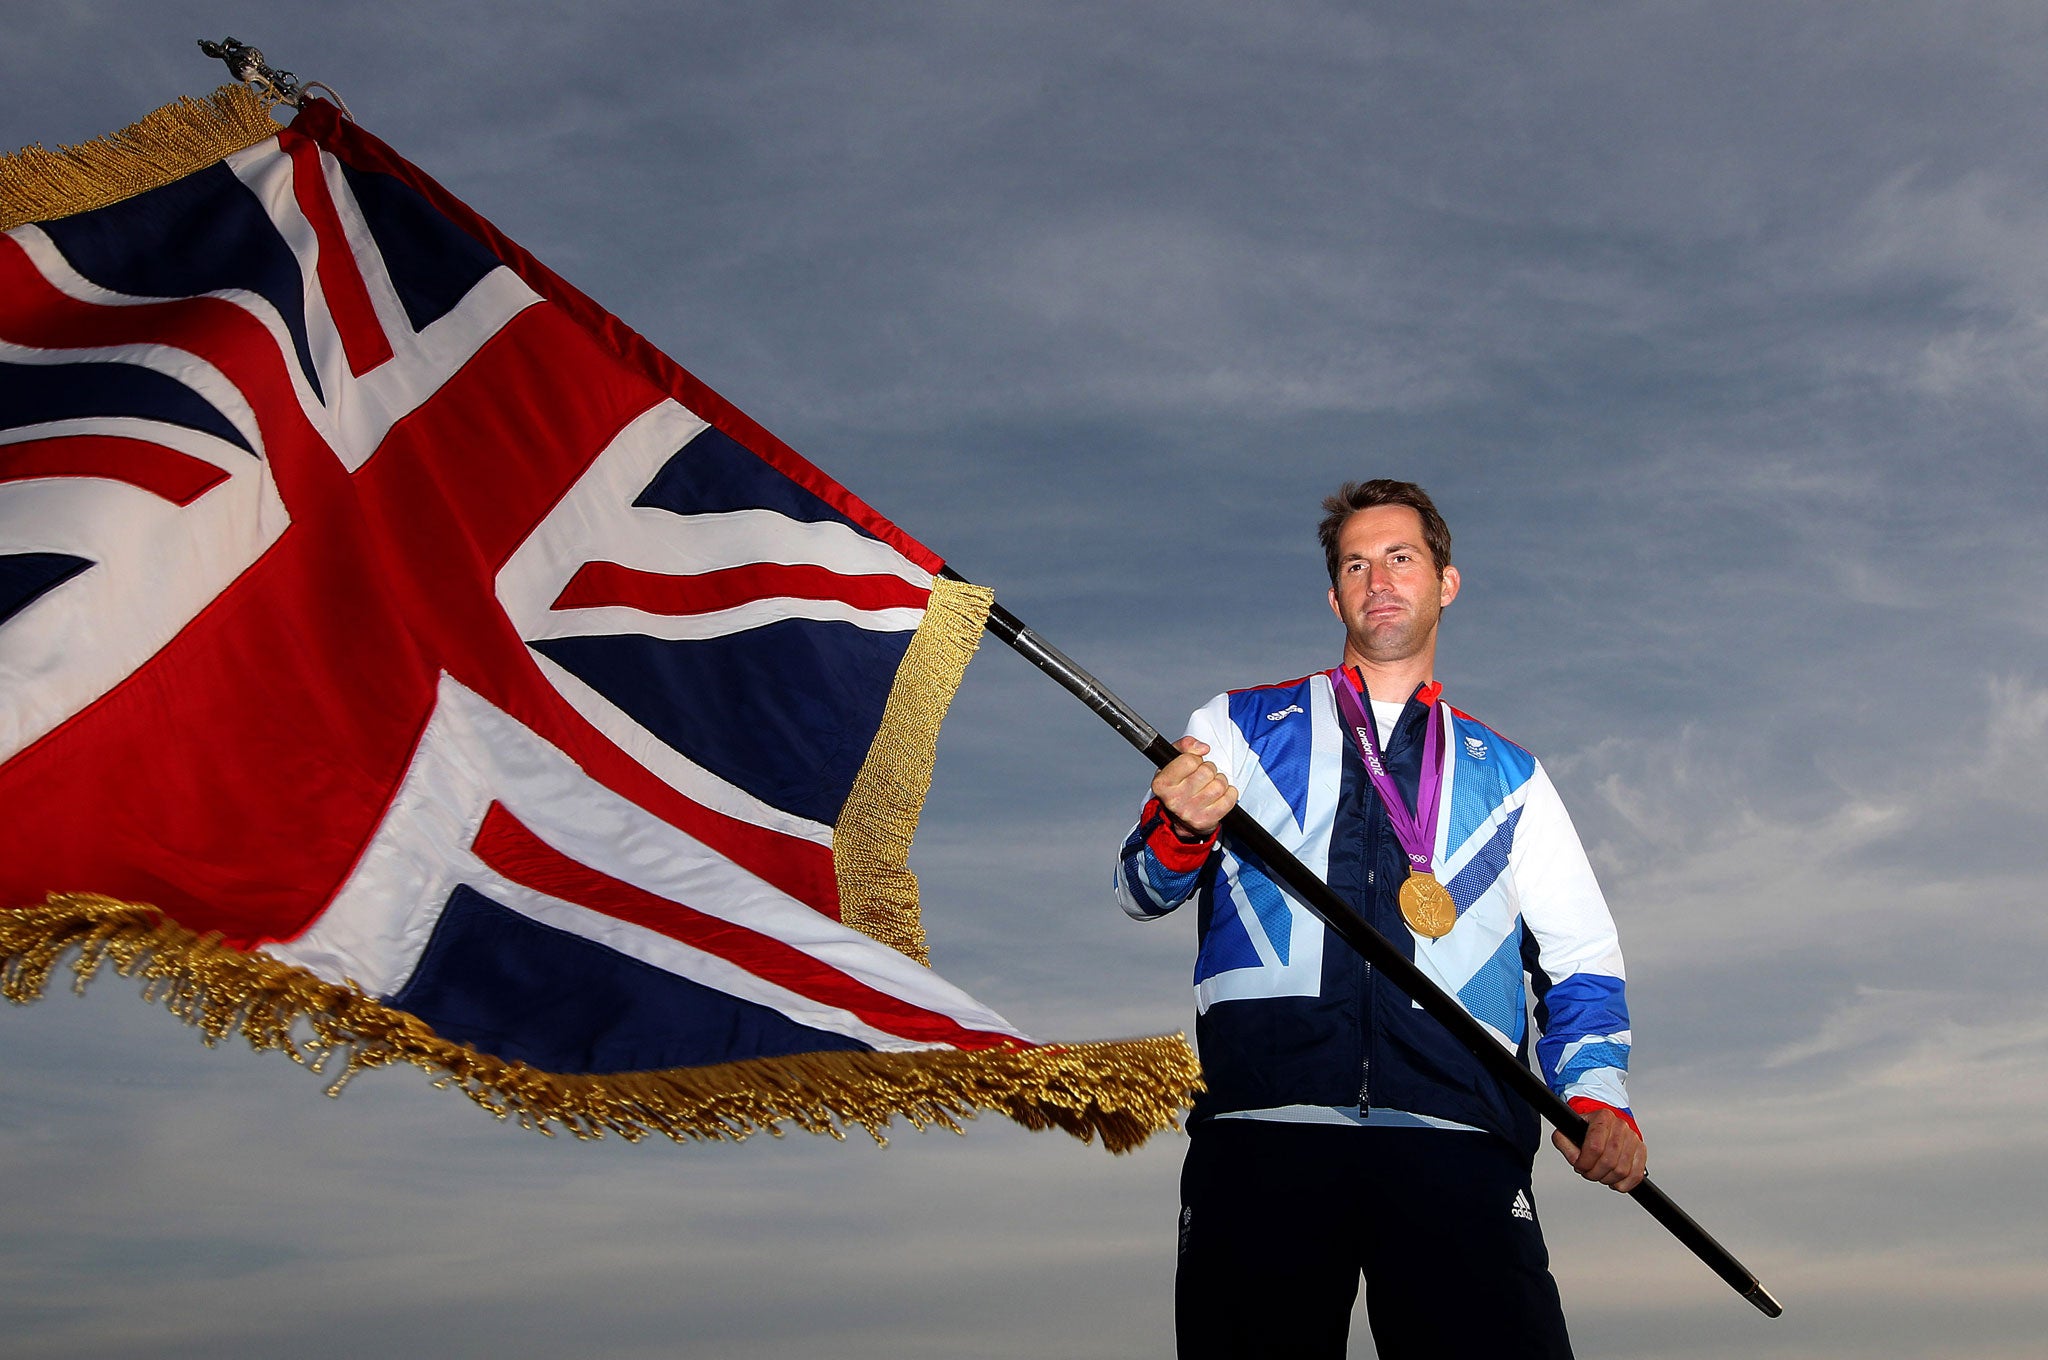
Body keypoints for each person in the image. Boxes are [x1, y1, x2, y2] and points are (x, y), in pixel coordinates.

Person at [1114, 479, 1645, 1359]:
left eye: (1402, 557)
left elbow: (1580, 957)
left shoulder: (1510, 774)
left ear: (1447, 582)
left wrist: (1598, 1096)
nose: (1379, 578)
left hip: (1458, 1143)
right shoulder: (1240, 725)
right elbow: (1140, 887)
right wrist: (1178, 828)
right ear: (1335, 597)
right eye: (1356, 564)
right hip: (1263, 1135)